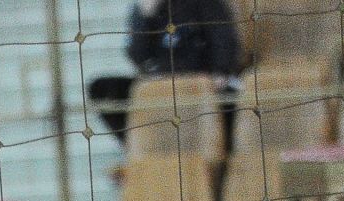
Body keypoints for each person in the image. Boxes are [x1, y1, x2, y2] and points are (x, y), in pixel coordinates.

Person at [88, 0, 241, 144]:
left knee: (237, 105)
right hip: (159, 86)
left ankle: (219, 156)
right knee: (102, 88)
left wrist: (220, 73)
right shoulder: (145, 8)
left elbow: (225, 42)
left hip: (200, 84)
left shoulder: (206, 4)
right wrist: (146, 15)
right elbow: (138, 56)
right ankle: (140, 149)